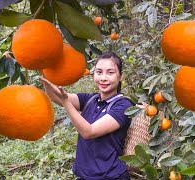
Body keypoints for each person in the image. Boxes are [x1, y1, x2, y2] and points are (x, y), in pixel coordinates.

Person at [40, 52, 133, 180]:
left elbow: (89, 132)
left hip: (111, 176)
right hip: (85, 176)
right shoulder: (90, 99)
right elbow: (56, 97)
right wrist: (43, 70)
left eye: (110, 73)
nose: (103, 78)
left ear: (121, 76)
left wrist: (65, 101)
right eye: (99, 72)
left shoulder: (123, 106)